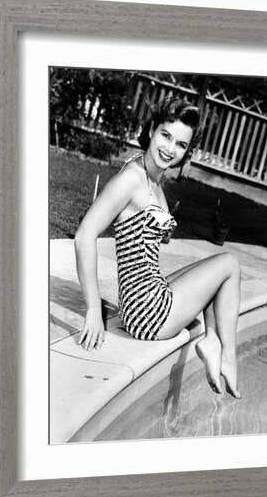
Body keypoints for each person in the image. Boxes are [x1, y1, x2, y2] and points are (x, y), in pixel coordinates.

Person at [74, 97, 241, 398]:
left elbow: (139, 230)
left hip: (145, 298)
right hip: (149, 314)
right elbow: (85, 234)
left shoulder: (151, 177)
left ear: (186, 151)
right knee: (229, 264)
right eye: (165, 135)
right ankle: (226, 353)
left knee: (214, 276)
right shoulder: (132, 179)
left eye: (180, 144)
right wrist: (92, 309)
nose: (169, 148)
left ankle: (212, 339)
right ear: (152, 129)